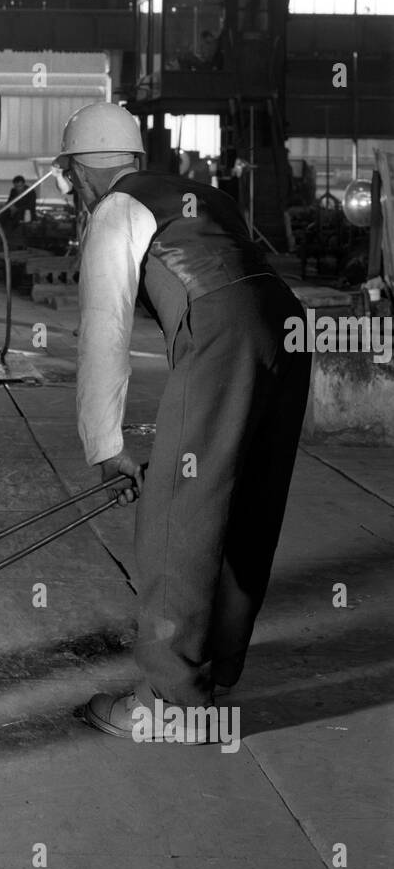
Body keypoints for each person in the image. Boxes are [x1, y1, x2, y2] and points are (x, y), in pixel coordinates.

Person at [55, 102, 311, 742]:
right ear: (135, 159)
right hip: (287, 326)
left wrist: (106, 445)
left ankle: (170, 703)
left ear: (76, 173)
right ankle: (215, 672)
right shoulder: (194, 192)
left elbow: (103, 336)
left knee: (181, 506)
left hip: (222, 332)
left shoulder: (113, 211)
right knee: (248, 500)